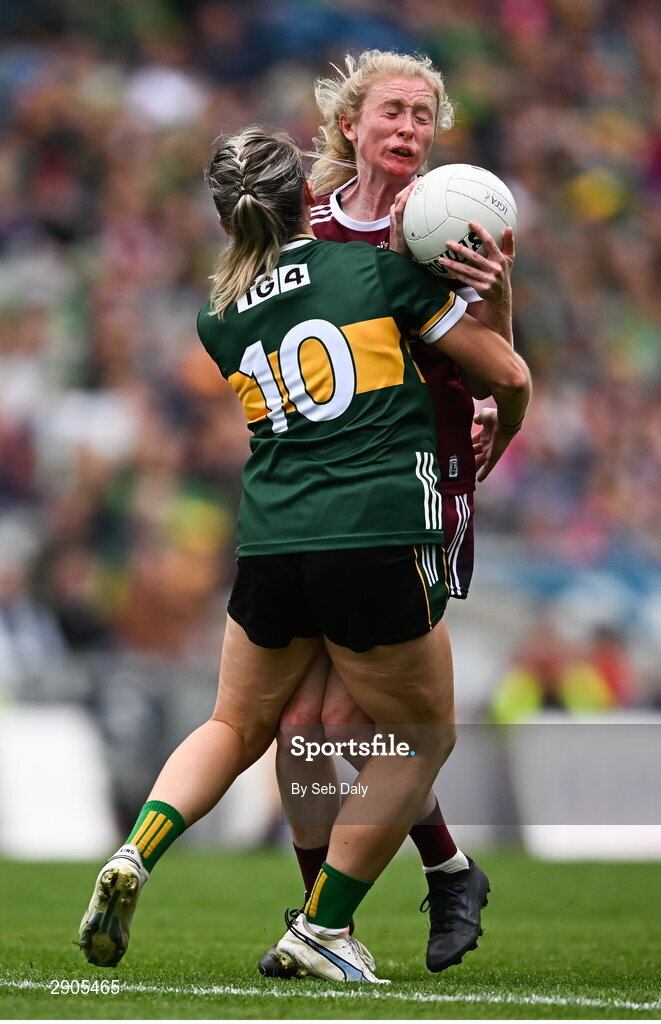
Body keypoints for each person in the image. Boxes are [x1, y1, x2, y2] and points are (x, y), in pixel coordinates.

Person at [77, 126, 530, 983]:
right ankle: (323, 926)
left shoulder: (217, 315)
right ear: (303, 197)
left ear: (226, 217)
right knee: (420, 734)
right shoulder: (371, 272)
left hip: (271, 543)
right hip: (371, 534)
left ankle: (136, 851)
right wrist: (498, 421)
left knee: (236, 724)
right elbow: (502, 376)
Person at [260, 49, 517, 977]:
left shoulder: (444, 221)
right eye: (393, 113)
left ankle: (347, 910)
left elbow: (496, 361)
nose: (409, 129)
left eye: (422, 116)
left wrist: (502, 314)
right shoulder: (307, 226)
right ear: (349, 125)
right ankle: (423, 877)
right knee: (300, 731)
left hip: (420, 487)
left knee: (344, 722)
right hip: (321, 495)